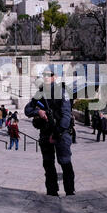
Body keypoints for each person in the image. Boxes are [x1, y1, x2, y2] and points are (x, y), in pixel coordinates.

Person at [24, 65, 75, 197]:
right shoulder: (40, 92)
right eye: (44, 75)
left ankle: (70, 191)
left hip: (60, 134)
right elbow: (27, 110)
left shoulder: (62, 91)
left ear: (55, 76)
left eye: (49, 75)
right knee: (48, 164)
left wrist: (56, 134)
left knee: (64, 162)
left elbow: (66, 116)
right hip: (45, 133)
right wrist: (38, 111)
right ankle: (52, 192)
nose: (46, 77)